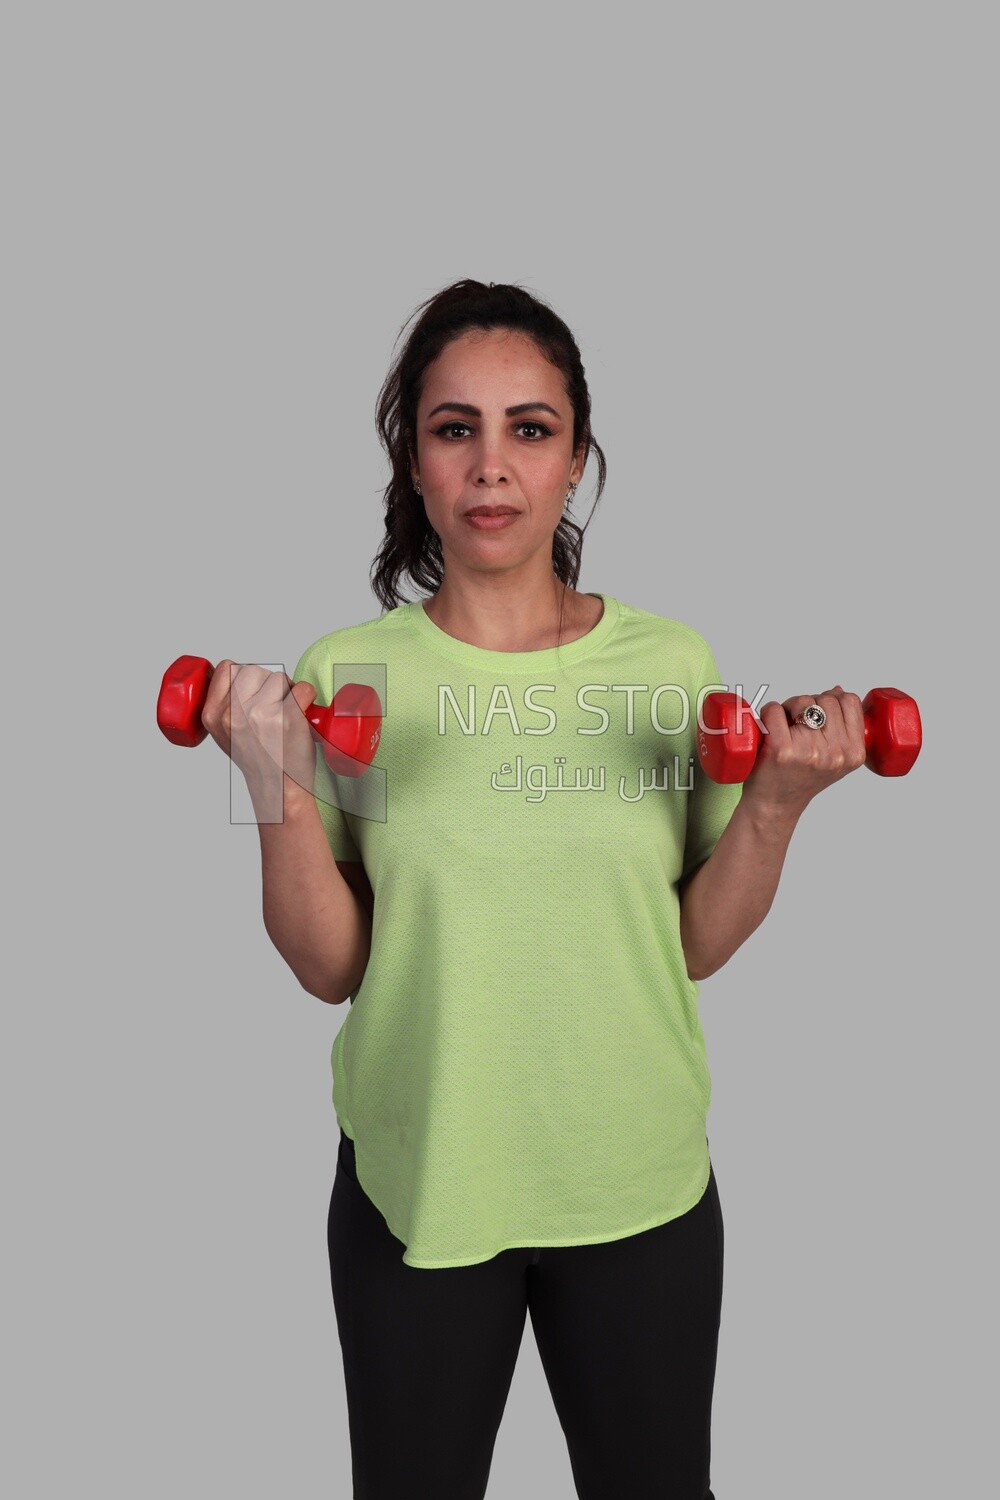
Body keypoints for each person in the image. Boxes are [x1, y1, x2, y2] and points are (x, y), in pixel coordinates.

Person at [200, 279, 868, 1499]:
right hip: (423, 1181)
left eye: (530, 428)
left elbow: (695, 944)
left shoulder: (671, 664)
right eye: (456, 429)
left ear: (577, 461)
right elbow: (328, 967)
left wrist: (776, 803)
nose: (492, 466)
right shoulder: (347, 674)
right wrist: (273, 783)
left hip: (636, 1183)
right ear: (414, 464)